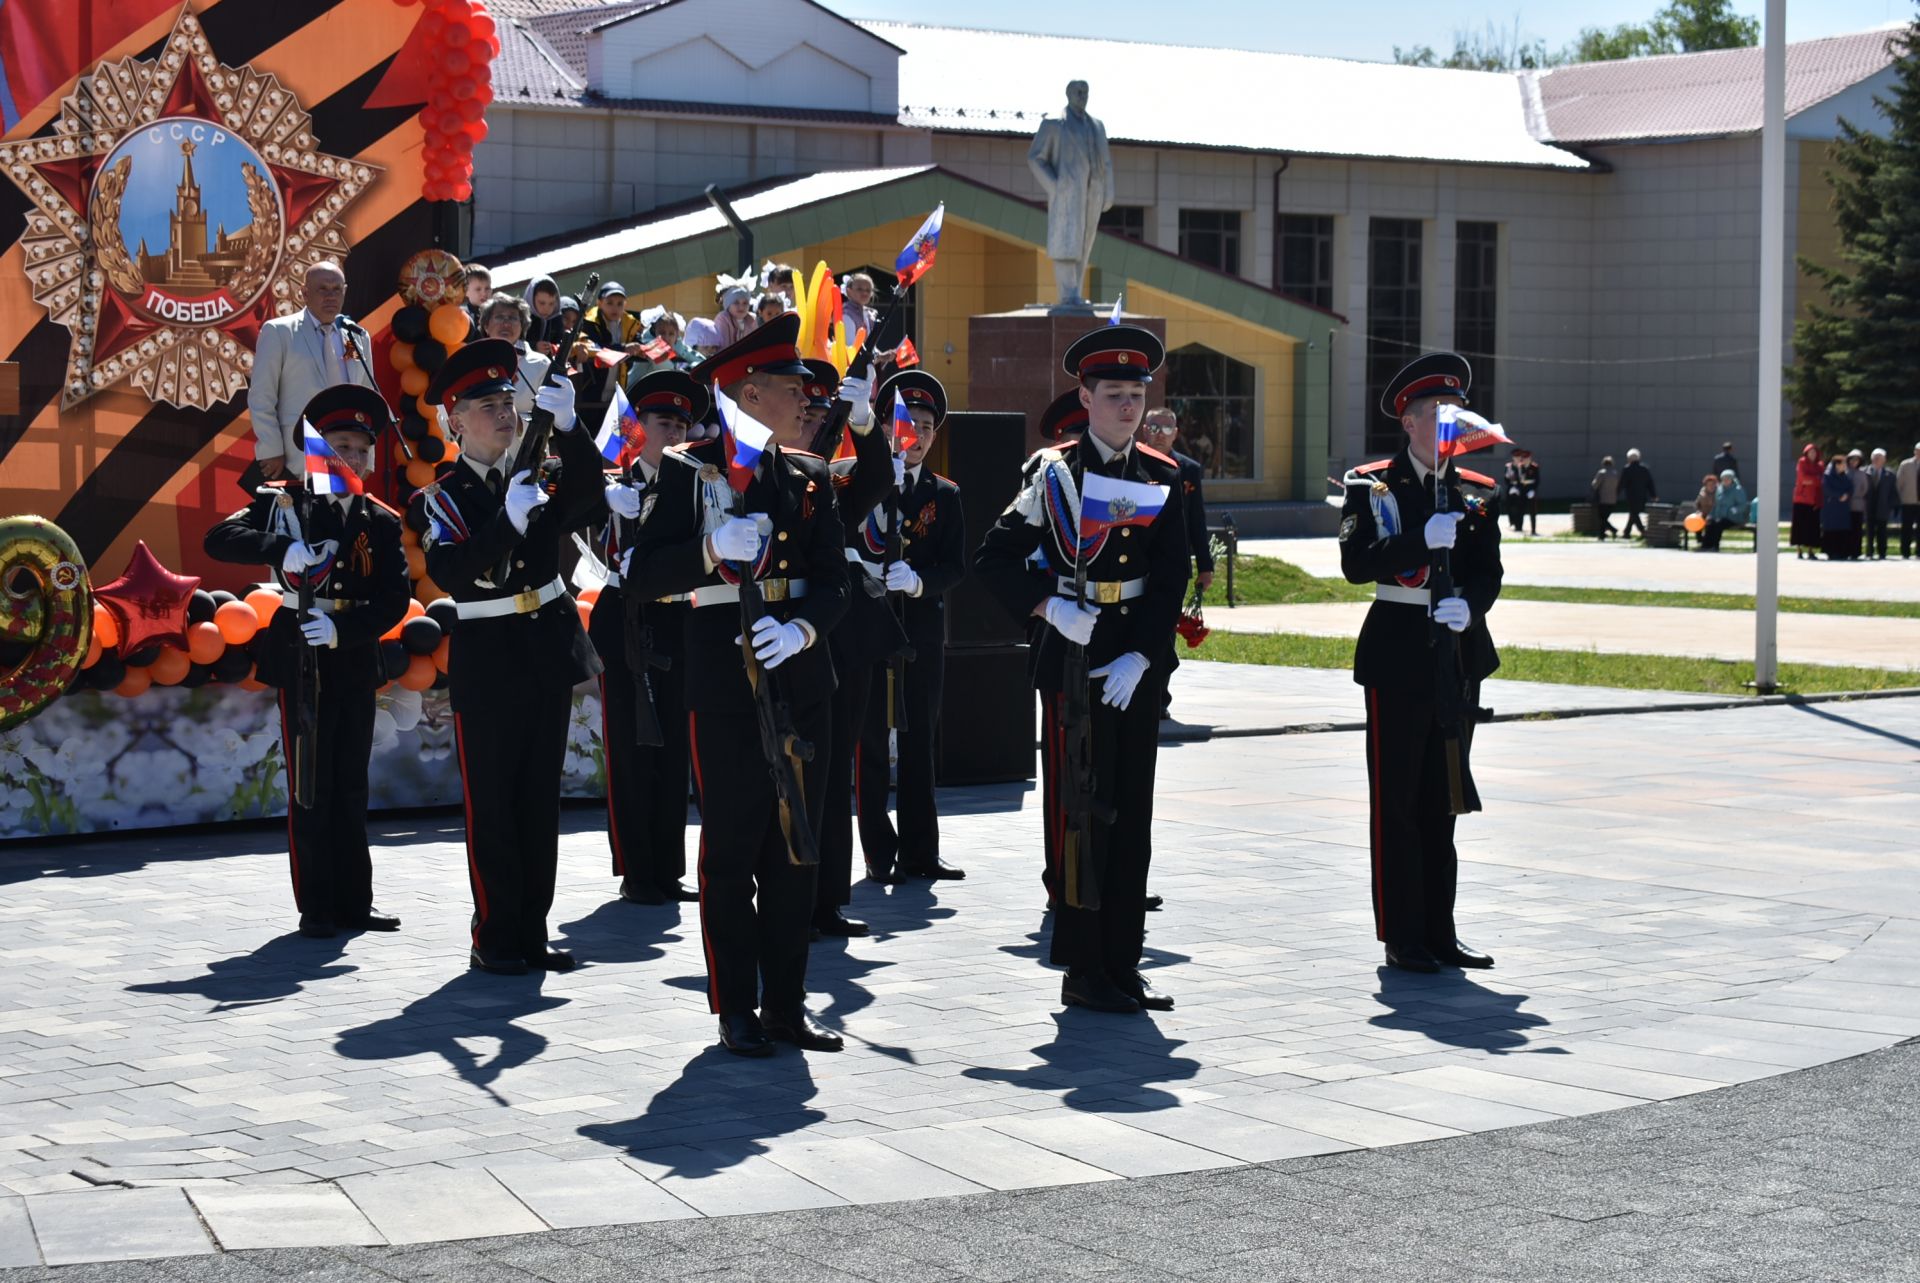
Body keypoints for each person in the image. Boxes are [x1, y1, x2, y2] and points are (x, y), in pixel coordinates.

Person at [625, 313, 850, 1056]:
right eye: (795, 390)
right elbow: (643, 576)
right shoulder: (686, 471)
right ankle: (736, 1007)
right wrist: (708, 548)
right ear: (751, 392)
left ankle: (788, 1003)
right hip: (723, 681)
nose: (808, 402)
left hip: (800, 673)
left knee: (797, 847)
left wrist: (802, 629)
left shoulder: (810, 476)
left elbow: (833, 583)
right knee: (731, 850)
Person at [975, 325, 1189, 1015]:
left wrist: (1144, 653)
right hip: (1073, 657)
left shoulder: (1163, 474)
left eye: (1138, 394)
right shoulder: (1054, 474)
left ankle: (1124, 961)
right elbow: (995, 558)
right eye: (1115, 394)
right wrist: (1045, 608)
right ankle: (1083, 965)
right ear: (1085, 397)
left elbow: (1170, 578)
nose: (1129, 407)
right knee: (1082, 816)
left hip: (1131, 661)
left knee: (1134, 818)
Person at [414, 339, 613, 975]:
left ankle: (533, 928)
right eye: (488, 405)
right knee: (494, 803)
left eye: (510, 401)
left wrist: (573, 427)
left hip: (546, 649)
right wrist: (506, 521)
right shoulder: (438, 500)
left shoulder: (541, 472)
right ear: (455, 421)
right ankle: (495, 934)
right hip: (491, 657)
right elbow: (451, 573)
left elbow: (588, 496)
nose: (505, 413)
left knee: (537, 799)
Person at [205, 384, 410, 938]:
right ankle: (317, 904)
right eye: (340, 446)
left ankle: (355, 901)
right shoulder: (286, 504)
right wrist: (280, 548)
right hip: (301, 653)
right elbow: (219, 538)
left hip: (352, 651)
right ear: (318, 451)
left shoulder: (380, 519)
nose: (352, 459)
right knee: (311, 782)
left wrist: (344, 628)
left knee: (351, 781)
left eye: (362, 450)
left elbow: (393, 598)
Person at [1338, 352, 1501, 975]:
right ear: (1407, 422)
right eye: (1434, 413)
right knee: (1398, 800)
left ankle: (1440, 928)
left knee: (1444, 798)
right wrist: (1417, 540)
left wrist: (1470, 606)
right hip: (1398, 650)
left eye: (1453, 413)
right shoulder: (1371, 484)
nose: (1445, 423)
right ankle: (1402, 934)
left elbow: (1489, 572)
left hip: (1455, 652)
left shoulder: (1477, 490)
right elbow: (1357, 564)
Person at [593, 370, 706, 907]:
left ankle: (667, 867)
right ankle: (635, 869)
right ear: (638, 429)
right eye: (665, 423)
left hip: (679, 617)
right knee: (631, 747)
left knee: (673, 749)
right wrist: (603, 500)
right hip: (625, 613)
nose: (677, 432)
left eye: (684, 423)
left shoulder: (697, 482)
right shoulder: (613, 482)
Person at [856, 369, 969, 888]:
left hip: (921, 632)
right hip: (873, 628)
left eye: (926, 425)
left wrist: (920, 582)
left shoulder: (945, 495)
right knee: (873, 741)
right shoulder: (860, 482)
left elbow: (955, 566)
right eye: (907, 422)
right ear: (885, 427)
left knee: (921, 740)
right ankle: (879, 853)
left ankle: (922, 852)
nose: (917, 434)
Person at [804, 357, 896, 936]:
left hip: (845, 633)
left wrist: (863, 421)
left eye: (820, 411)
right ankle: (793, 893)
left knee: (838, 768)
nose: (813, 421)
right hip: (790, 631)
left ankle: (828, 897)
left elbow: (878, 478)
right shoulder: (756, 470)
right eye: (807, 410)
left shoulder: (833, 476)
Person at [248, 261, 376, 481]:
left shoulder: (356, 336)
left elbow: (366, 396)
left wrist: (368, 458)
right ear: (305, 293)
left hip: (348, 456)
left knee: (337, 515)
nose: (330, 296)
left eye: (337, 290)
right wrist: (271, 449)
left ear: (344, 292)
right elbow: (261, 396)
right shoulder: (279, 332)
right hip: (297, 455)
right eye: (322, 289)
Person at [1138, 406, 1211, 720]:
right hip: (1139, 562)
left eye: (1166, 429)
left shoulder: (1188, 469)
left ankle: (1160, 697)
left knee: (1165, 630)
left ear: (1177, 433)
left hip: (1174, 565)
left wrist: (1205, 566)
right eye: (1154, 427)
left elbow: (1197, 520)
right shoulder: (1133, 463)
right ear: (1144, 430)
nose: (1160, 434)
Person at [478, 293, 552, 420]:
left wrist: (516, 424)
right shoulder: (471, 362)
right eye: (499, 317)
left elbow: (551, 417)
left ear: (522, 327)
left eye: (512, 318)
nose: (506, 323)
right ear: (486, 326)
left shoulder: (541, 365)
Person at [1792, 442, 1825, 560]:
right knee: (1799, 526)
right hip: (1801, 499)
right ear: (1806, 453)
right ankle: (1799, 550)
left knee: (1812, 527)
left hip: (1814, 500)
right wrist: (1815, 479)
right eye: (1810, 452)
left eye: (1814, 452)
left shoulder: (1820, 465)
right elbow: (1802, 479)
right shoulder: (1802, 462)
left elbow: (1821, 480)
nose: (1812, 454)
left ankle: (1811, 550)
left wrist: (1813, 480)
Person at [1863, 448, 1897, 560]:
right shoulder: (1864, 472)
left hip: (1883, 507)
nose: (1877, 460)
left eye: (1880, 458)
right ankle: (1869, 552)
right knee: (1870, 531)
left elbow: (1893, 492)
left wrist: (1891, 506)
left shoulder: (1890, 475)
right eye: (1875, 458)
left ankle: (1882, 553)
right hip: (1869, 506)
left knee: (1882, 532)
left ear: (1884, 460)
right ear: (1871, 459)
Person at [1821, 454, 1855, 561]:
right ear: (1837, 465)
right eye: (1843, 464)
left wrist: (1847, 495)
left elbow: (1850, 488)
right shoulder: (1827, 476)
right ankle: (1832, 552)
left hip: (1843, 508)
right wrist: (1839, 495)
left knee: (1843, 529)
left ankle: (1843, 551)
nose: (1845, 466)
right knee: (1832, 529)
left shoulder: (1845, 477)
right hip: (1832, 508)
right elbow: (1826, 489)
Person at [522, 275, 566, 355]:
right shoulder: (520, 318)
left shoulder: (556, 318)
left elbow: (560, 341)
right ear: (531, 299)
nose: (547, 309)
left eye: (551, 303)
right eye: (542, 303)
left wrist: (553, 348)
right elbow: (514, 343)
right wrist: (534, 347)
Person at [1619, 448, 1657, 539]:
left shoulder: (1627, 469)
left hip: (1631, 496)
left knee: (1634, 513)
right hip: (1642, 495)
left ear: (1629, 458)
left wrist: (1616, 493)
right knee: (1634, 513)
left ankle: (1642, 531)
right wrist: (1654, 495)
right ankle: (1626, 532)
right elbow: (1650, 483)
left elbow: (1622, 483)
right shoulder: (1644, 469)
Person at [712, 275, 756, 346]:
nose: (741, 306)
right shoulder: (723, 319)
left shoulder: (752, 319)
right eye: (736, 303)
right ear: (727, 305)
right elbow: (723, 347)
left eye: (745, 303)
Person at [1710, 469, 1747, 549]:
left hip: (1733, 518)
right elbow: (1716, 504)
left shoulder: (1738, 490)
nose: (1725, 480)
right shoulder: (1719, 489)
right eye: (1723, 479)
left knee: (1719, 524)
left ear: (1732, 479)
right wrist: (1712, 515)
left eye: (1728, 479)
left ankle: (1715, 546)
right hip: (1720, 516)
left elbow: (1743, 505)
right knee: (1711, 524)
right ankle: (1706, 545)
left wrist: (1733, 510)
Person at [841, 272, 877, 349]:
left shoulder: (869, 314)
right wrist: (877, 358)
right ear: (849, 291)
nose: (864, 293)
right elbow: (850, 348)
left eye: (868, 290)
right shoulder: (846, 314)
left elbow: (870, 347)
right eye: (859, 289)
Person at [1589, 455, 1620, 539]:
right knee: (1605, 517)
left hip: (1602, 499)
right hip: (1613, 499)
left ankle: (1610, 531)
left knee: (1601, 517)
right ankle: (1603, 533)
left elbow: (1595, 485)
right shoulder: (1615, 473)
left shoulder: (1602, 473)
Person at [1847, 448, 1869, 560]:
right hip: (1846, 506)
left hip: (1858, 504)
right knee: (1847, 529)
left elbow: (1865, 488)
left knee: (1857, 529)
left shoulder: (1862, 474)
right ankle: (1847, 550)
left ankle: (1856, 552)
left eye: (1856, 460)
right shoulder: (1845, 472)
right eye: (1852, 460)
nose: (1853, 462)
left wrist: (1858, 495)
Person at [1899, 443, 1920, 558]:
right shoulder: (1905, 464)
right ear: (1914, 451)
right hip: (1908, 501)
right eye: (1918, 450)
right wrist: (1901, 498)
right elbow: (1899, 483)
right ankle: (1905, 551)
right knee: (1906, 527)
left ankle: (1919, 551)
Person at [1693, 473, 1723, 550]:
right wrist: (1698, 512)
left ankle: (1706, 545)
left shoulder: (1719, 493)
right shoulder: (1702, 492)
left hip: (1714, 515)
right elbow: (1697, 503)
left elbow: (1718, 506)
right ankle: (1701, 541)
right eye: (1708, 484)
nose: (1711, 486)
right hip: (1703, 514)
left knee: (1710, 524)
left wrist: (1711, 515)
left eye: (1713, 484)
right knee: (1696, 522)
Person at [461, 264, 493, 336]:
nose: (484, 293)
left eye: (487, 288)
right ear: (466, 291)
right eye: (478, 289)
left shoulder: (496, 313)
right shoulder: (463, 315)